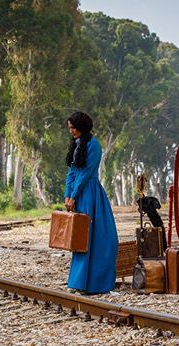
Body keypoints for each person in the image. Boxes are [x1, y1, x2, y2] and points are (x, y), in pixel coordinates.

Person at [63, 111, 119, 294]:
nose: (71, 131)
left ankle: (95, 283)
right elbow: (72, 172)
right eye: (70, 128)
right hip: (79, 193)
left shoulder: (93, 144)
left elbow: (86, 173)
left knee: (101, 238)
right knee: (80, 238)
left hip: (90, 193)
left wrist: (73, 195)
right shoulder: (77, 144)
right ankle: (78, 282)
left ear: (82, 127)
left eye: (73, 128)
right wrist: (67, 195)